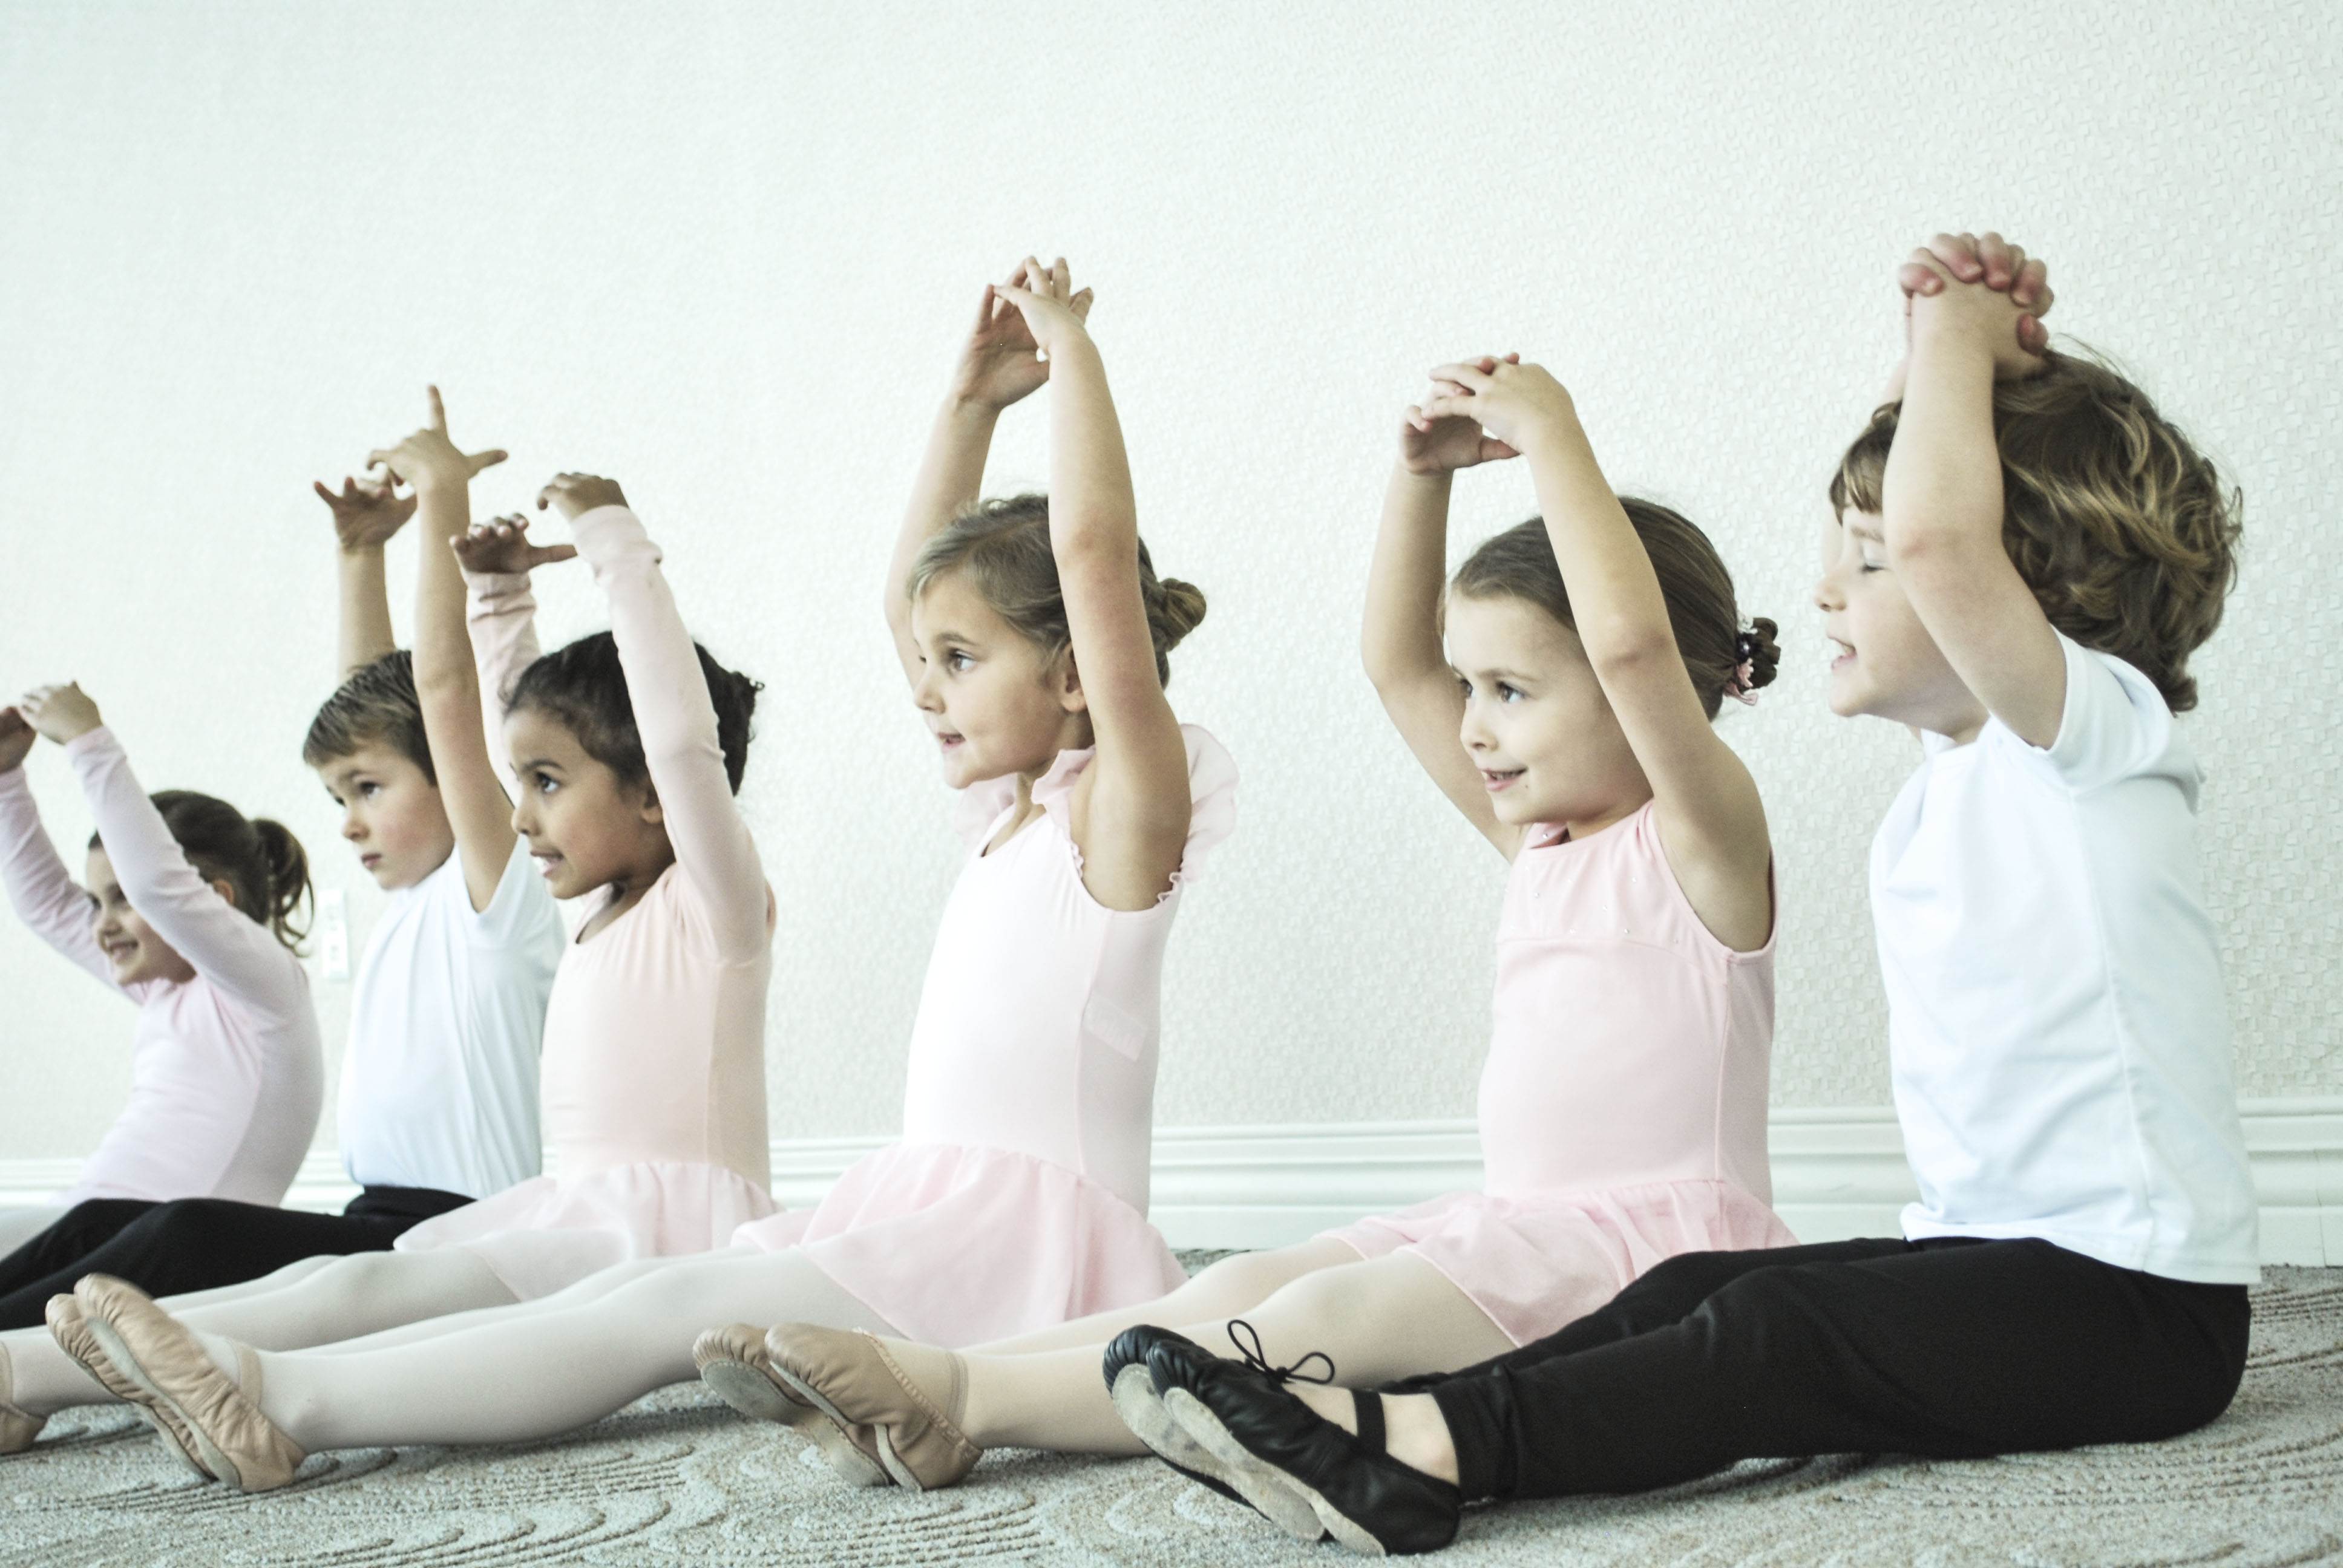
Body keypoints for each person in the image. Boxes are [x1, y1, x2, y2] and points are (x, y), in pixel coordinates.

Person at [1112, 232, 2257, 1557]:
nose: (1827, 583)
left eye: (1868, 560)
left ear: (2037, 591)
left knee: (1771, 1338)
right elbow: (1941, 522)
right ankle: (1413, 1422)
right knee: (1707, 1287)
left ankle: (1430, 1454)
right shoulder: (1960, 775)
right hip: (1998, 1259)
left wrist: (1956, 324)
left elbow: (1949, 536)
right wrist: (1922, 381)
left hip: (2141, 1305)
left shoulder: (2094, 736)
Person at [40, 258, 1232, 1495]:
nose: (922, 684)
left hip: (1030, 1243)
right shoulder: (1008, 813)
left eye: (959, 657)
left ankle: (282, 1397)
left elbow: (1091, 560)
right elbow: (902, 601)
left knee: (662, 1308)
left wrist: (1070, 349)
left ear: (1083, 672)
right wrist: (968, 404)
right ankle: (246, 1373)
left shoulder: (1119, 819)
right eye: (924, 658)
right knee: (660, 1294)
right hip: (937, 1210)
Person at [728, 324, 1792, 1506]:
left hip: (1655, 1259)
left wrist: (1552, 436)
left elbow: (1635, 643)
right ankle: (931, 1371)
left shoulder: (1702, 839)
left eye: (1510, 690)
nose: (1474, 724)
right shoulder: (1534, 844)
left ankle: (972, 1408)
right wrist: (1418, 477)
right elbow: (1395, 661)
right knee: (1239, 1286)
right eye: (1474, 689)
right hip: (1521, 1226)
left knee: (1325, 1318)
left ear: (1651, 694)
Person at [28, 464, 775, 1488]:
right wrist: (501, 597)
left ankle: (276, 1397)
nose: (518, 814)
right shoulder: (585, 911)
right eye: (520, 784)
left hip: (679, 1230)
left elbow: (665, 738)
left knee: (493, 1334)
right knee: (359, 1294)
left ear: (653, 794)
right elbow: (472, 708)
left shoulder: (713, 903)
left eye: (548, 784)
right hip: (567, 1206)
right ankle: (30, 1363)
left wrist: (613, 542)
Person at [0, 391, 560, 1363]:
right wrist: (359, 554)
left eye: (367, 789)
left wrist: (443, 498)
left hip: (462, 1239)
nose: (346, 820)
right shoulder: (419, 897)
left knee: (185, 1235)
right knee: (113, 1228)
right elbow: (379, 711)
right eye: (340, 792)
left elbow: (441, 697)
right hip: (378, 1222)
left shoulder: (496, 897)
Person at [0, 686, 321, 1435]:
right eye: (97, 901)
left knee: (80, 1248)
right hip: (92, 1232)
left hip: (171, 1254)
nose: (103, 923)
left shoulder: (263, 992)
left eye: (119, 900)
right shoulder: (162, 993)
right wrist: (7, 778)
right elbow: (48, 905)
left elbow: (161, 889)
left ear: (213, 898)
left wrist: (89, 744)